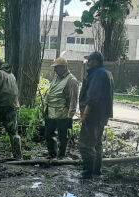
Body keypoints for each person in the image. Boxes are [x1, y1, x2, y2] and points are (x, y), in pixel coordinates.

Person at [79, 51, 114, 179]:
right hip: (101, 116)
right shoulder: (107, 73)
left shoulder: (97, 74)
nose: (87, 63)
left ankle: (87, 172)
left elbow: (92, 97)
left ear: (96, 61)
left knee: (86, 144)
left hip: (93, 116)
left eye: (89, 60)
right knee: (97, 143)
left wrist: (84, 115)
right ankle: (96, 170)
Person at [44, 57, 79, 159]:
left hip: (63, 113)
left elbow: (73, 100)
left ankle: (61, 155)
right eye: (54, 67)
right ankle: (52, 153)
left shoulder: (72, 80)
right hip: (51, 112)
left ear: (64, 67)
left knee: (62, 136)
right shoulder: (56, 77)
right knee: (48, 134)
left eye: (57, 67)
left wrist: (70, 116)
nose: (55, 70)